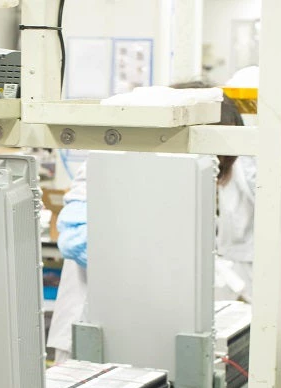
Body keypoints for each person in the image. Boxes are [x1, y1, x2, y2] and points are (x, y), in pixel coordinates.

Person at [47, 86, 256, 362]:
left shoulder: (181, 177)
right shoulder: (115, 161)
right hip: (91, 329)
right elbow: (76, 241)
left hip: (143, 333)